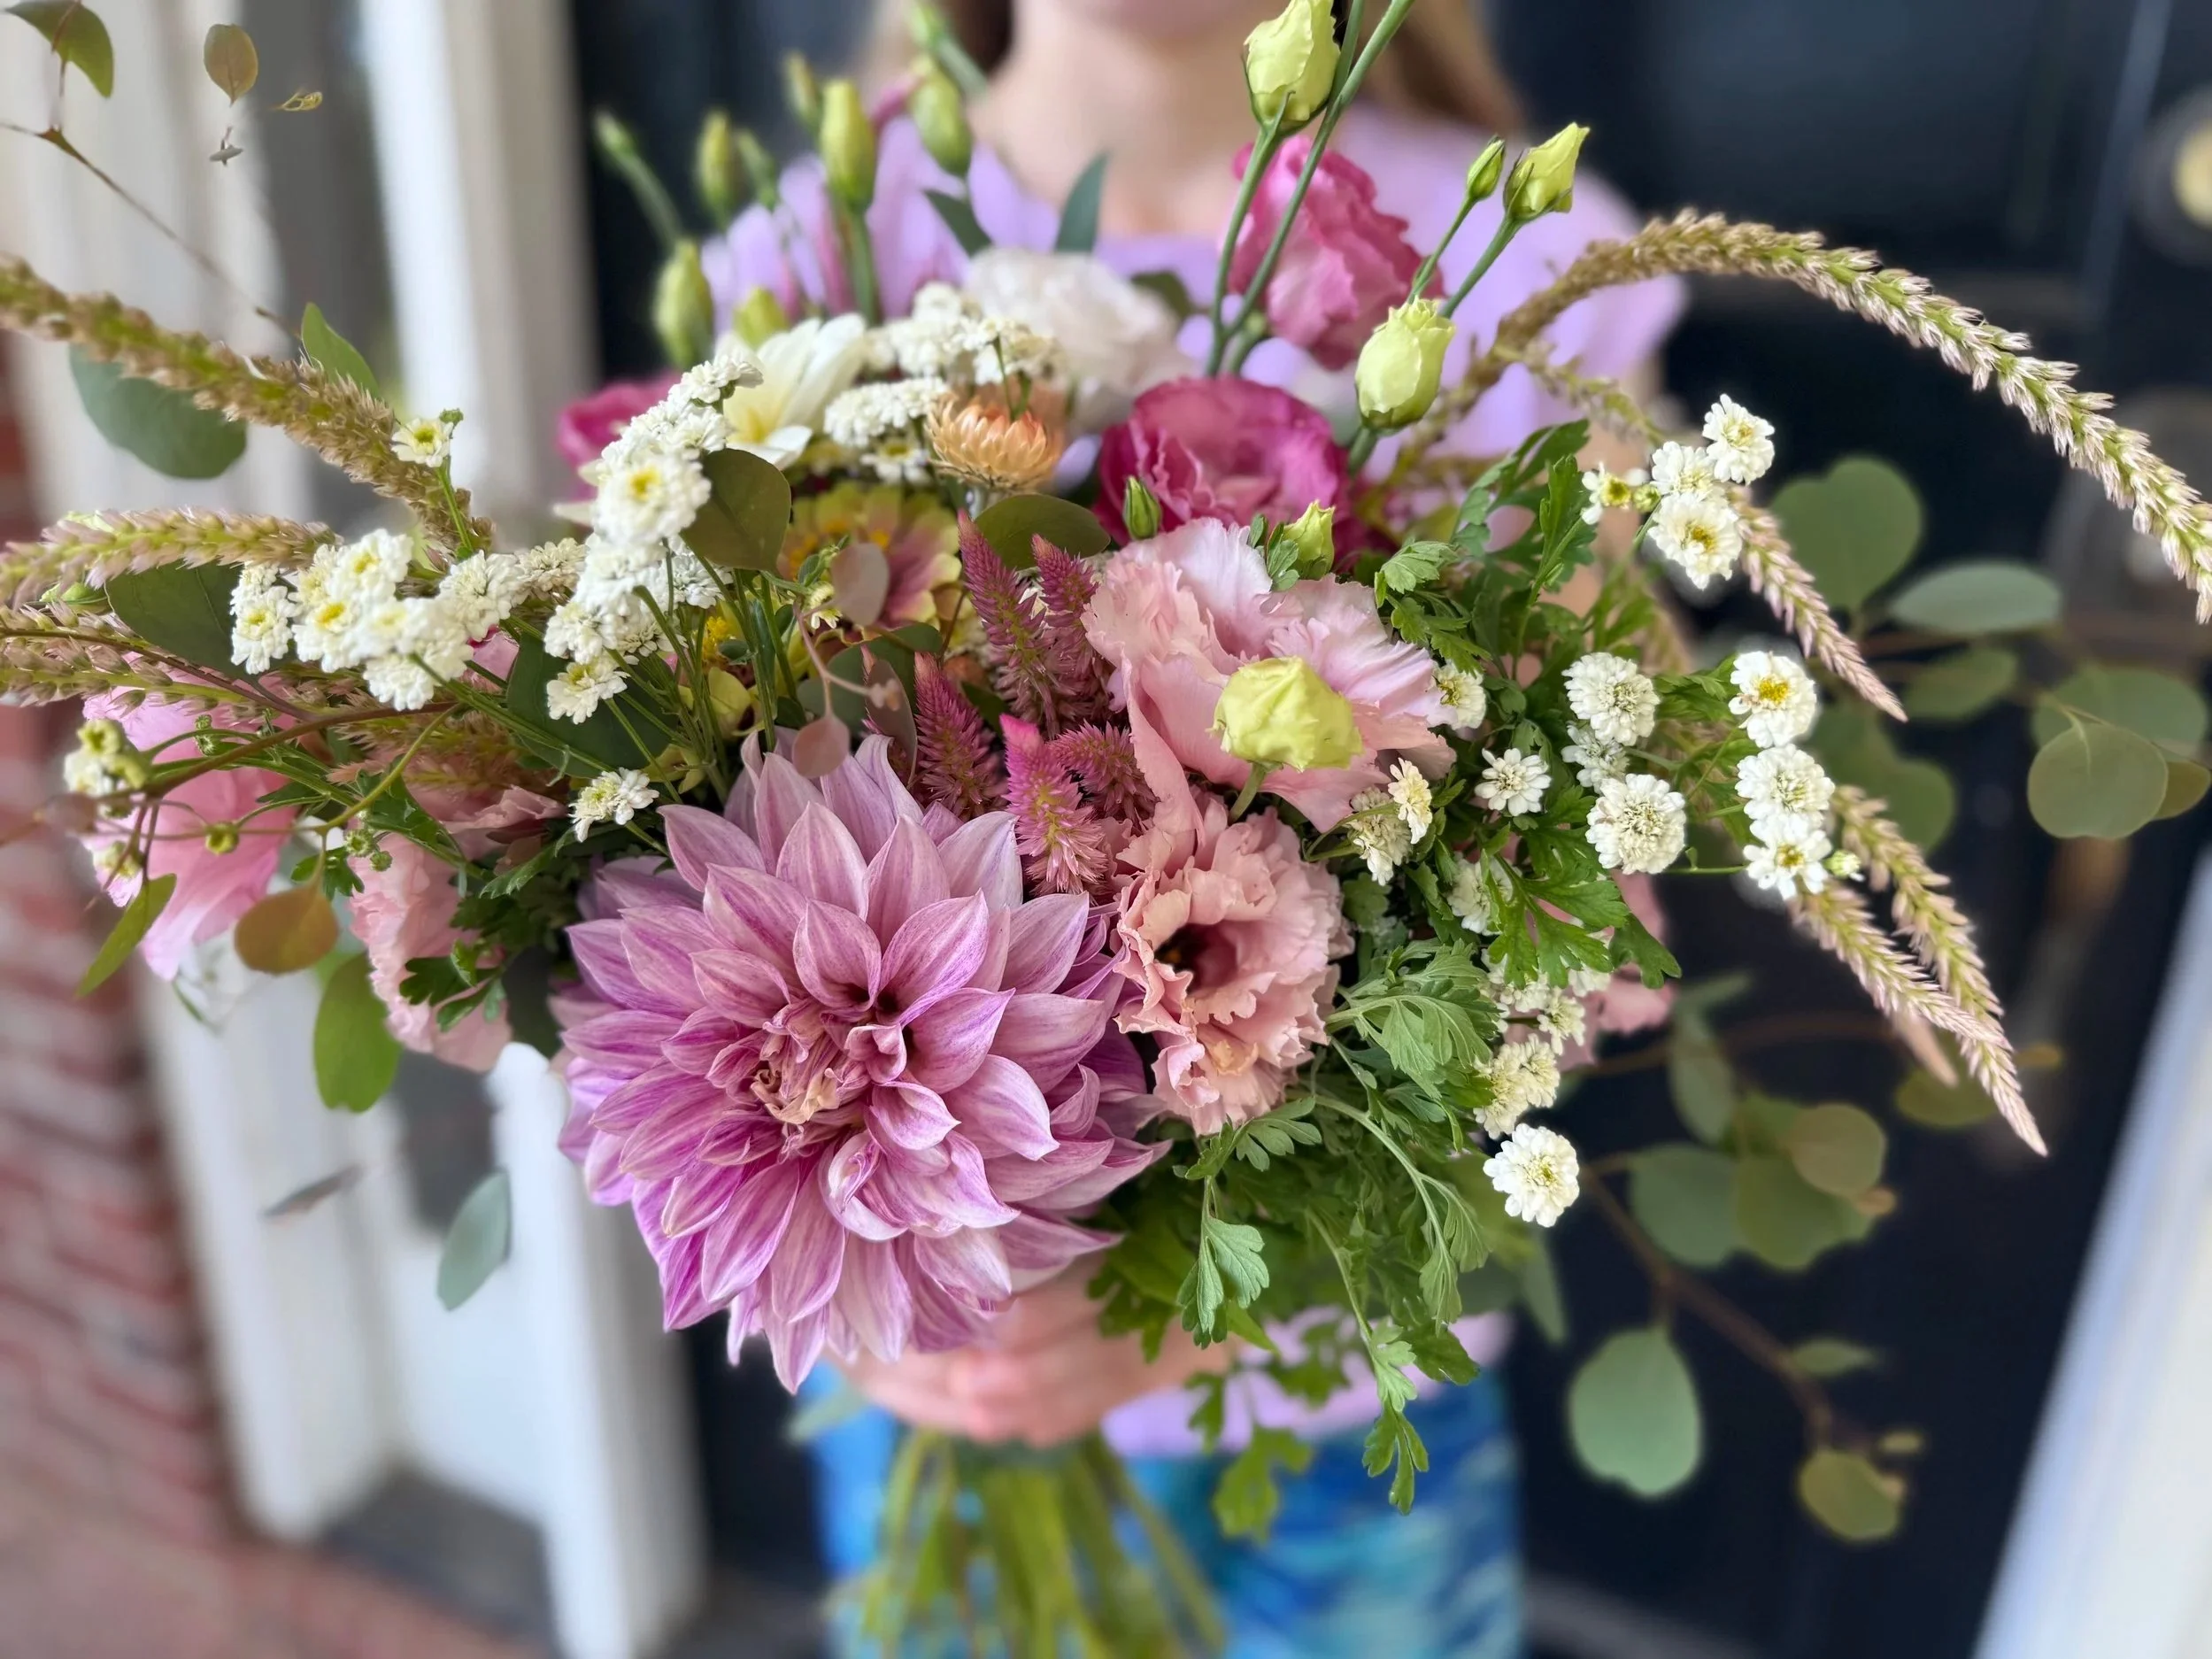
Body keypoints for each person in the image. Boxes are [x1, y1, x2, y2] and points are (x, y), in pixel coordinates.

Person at [705, 4, 1684, 1653]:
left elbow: (1592, 914)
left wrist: (1202, 1310)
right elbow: (691, 812)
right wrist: (849, 1258)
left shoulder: (1518, 264)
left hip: (1325, 1393)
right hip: (941, 1395)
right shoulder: (823, 246)